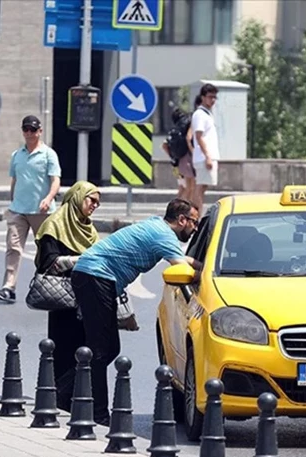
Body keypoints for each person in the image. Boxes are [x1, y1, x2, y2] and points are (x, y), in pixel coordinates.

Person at [70, 198, 203, 425]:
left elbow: (186, 260)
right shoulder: (163, 235)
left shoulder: (159, 228)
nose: (196, 228)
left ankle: (65, 395)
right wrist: (207, 276)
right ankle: (96, 412)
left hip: (95, 277)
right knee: (101, 349)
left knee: (107, 348)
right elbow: (181, 267)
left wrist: (206, 265)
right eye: (194, 222)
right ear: (182, 220)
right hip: (96, 276)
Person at [32, 181, 101, 412]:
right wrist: (78, 261)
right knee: (62, 349)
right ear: (77, 197)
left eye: (97, 203)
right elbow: (48, 262)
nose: (94, 206)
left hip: (86, 297)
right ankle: (59, 399)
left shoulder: (89, 229)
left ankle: (78, 398)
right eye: (91, 200)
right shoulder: (54, 225)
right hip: (62, 299)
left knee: (86, 349)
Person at [0, 115, 62, 303]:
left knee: (46, 250)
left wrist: (48, 198)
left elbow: (55, 180)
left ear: (39, 131)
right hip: (19, 210)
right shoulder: (17, 155)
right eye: (26, 129)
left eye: (33, 129)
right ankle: (9, 287)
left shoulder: (48, 155)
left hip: (42, 212)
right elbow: (15, 180)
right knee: (13, 247)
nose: (29, 133)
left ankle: (47, 285)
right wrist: (12, 200)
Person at [191, 84, 220, 213]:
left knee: (203, 187)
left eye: (214, 97)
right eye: (210, 97)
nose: (212, 100)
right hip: (204, 157)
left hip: (208, 156)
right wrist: (207, 156)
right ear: (203, 97)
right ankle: (196, 215)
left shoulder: (207, 114)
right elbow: (198, 136)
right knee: (200, 186)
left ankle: (197, 213)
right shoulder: (200, 114)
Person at [162, 108, 194, 200]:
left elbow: (164, 145)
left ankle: (176, 205)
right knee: (189, 188)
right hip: (184, 163)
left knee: (181, 187)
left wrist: (172, 155)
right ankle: (181, 207)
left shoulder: (174, 130)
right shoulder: (184, 129)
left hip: (174, 164)